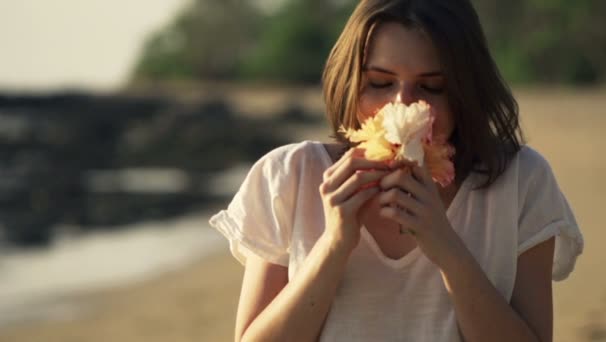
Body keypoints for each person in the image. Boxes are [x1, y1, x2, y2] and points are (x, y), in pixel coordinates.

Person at [209, 0, 584, 341]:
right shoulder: (290, 175)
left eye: (432, 87)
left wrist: (447, 247)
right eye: (380, 83)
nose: (402, 104)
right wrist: (334, 244)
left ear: (466, 91)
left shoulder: (520, 181)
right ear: (351, 83)